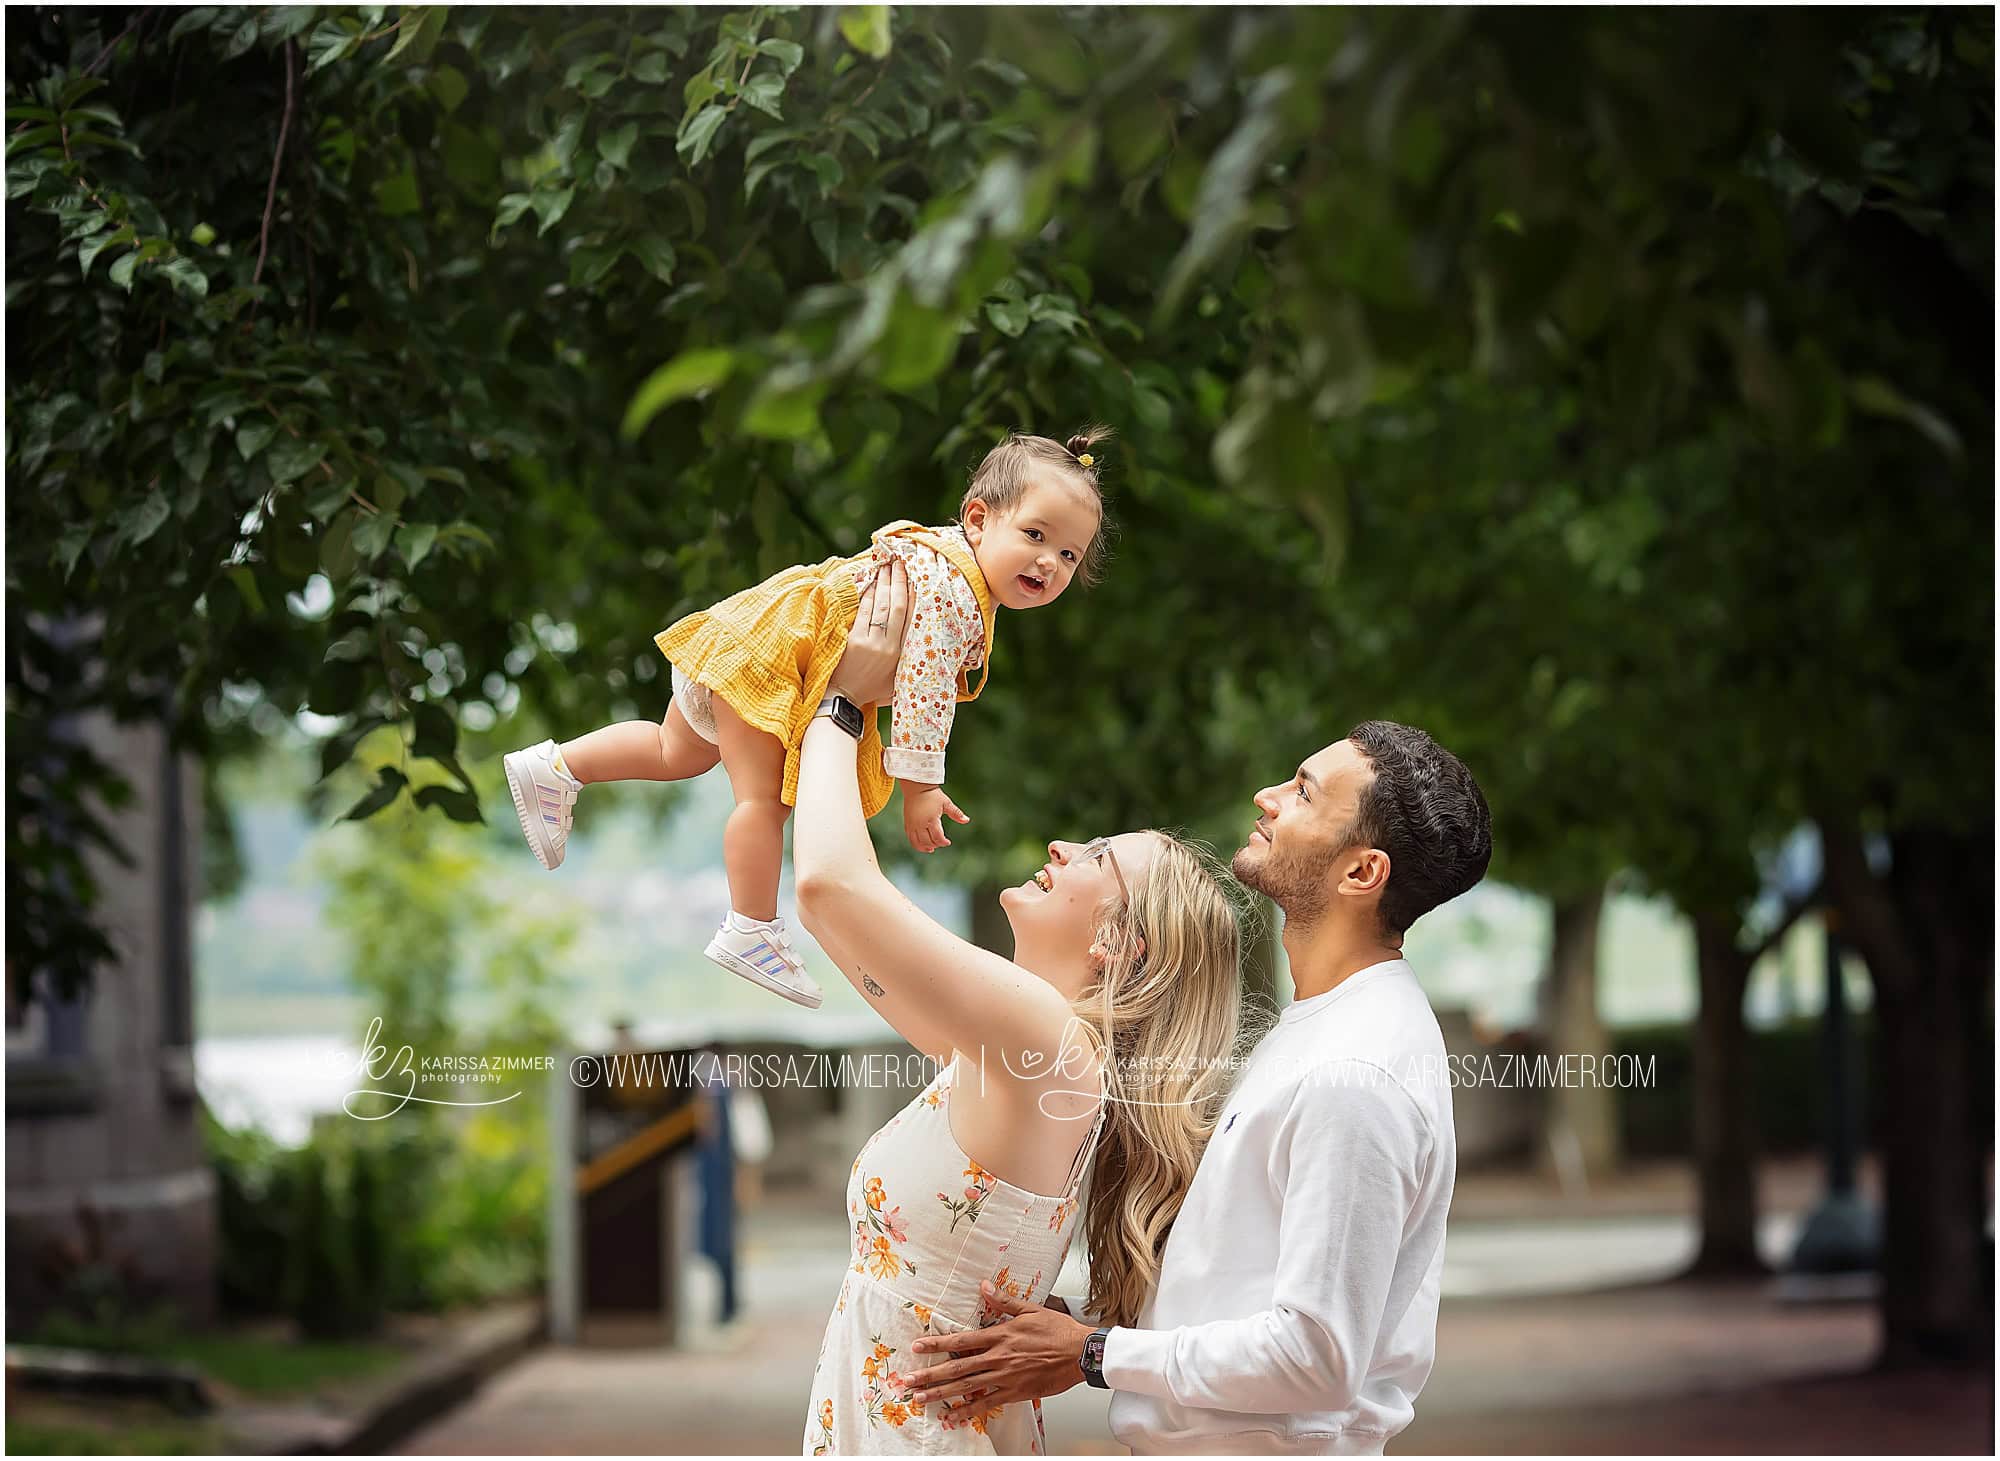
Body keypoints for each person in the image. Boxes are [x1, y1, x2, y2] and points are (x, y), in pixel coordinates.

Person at [902, 722, 1493, 1455]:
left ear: (1361, 873)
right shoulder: (1319, 1025)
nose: (1268, 796)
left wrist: (1093, 1352)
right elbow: (1238, 1284)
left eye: (1304, 792)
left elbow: (1317, 1357)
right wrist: (1082, 1328)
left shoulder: (1358, 1073)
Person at [789, 558, 1249, 1456]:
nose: (1061, 845)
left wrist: (843, 704)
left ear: (1122, 942)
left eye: (1098, 858)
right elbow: (844, 930)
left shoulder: (1046, 1044)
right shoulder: (1025, 1054)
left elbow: (828, 884)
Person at [499, 428, 1112, 1010]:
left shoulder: (947, 561)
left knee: (675, 751)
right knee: (763, 804)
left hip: (760, 634)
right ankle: (751, 925)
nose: (1049, 563)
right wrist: (921, 788)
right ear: (978, 519)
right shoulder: (953, 592)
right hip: (778, 661)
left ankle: (557, 766)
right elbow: (925, 688)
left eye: (1067, 553)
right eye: (1034, 535)